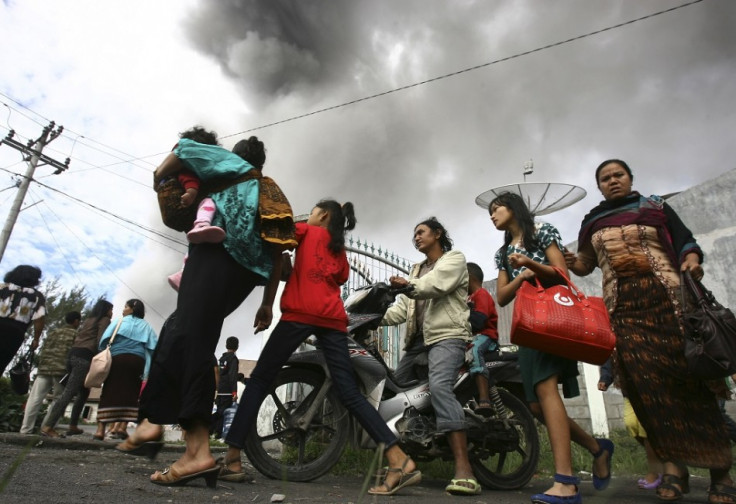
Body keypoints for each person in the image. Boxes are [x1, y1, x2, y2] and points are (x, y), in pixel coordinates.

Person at [120, 133, 296, 488]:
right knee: (180, 331)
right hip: (245, 276)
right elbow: (278, 253)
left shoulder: (229, 164)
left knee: (191, 338)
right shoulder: (270, 191)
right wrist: (266, 303)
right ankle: (153, 426)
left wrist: (161, 177)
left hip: (215, 257)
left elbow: (182, 151)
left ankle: (196, 452)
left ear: (236, 157)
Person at [222, 200, 421, 494]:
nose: (311, 215)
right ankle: (398, 458)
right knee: (351, 394)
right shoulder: (339, 250)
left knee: (260, 380)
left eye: (314, 211)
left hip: (299, 314)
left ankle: (233, 458)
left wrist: (267, 302)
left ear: (323, 215)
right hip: (332, 321)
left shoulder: (303, 230)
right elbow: (334, 277)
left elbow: (277, 248)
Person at [565, 159, 735, 503]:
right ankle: (674, 468)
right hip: (625, 312)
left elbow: (686, 242)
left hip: (671, 305)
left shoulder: (655, 207)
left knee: (693, 384)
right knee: (649, 389)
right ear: (599, 187)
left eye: (618, 175)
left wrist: (691, 259)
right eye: (605, 178)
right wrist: (569, 262)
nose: (613, 181)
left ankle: (721, 471)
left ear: (630, 178)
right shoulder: (593, 221)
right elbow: (585, 264)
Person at [490, 192, 612, 504]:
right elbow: (502, 296)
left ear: (513, 209)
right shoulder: (502, 253)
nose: (492, 215)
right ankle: (598, 448)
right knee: (533, 406)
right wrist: (523, 277)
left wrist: (531, 264)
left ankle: (566, 482)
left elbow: (562, 274)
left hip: (552, 320)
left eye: (496, 209)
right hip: (528, 327)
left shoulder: (542, 232)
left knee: (546, 392)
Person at [381, 217, 479, 496]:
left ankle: (464, 470)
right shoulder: (416, 270)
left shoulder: (453, 260)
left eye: (421, 232)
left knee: (439, 388)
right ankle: (399, 463)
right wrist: (372, 318)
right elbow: (404, 310)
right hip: (417, 343)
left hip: (447, 337)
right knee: (390, 395)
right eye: (414, 234)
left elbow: (435, 285)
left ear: (437, 234)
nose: (417, 237)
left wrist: (409, 285)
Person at [41, 298, 112, 437]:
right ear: (105, 310)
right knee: (69, 392)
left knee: (84, 392)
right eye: (111, 309)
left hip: (73, 355)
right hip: (84, 358)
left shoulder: (88, 320)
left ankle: (73, 425)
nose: (111, 312)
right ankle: (48, 426)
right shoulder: (104, 320)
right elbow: (100, 340)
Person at [166, 126, 225, 291]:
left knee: (195, 245)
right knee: (209, 202)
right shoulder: (187, 168)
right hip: (195, 207)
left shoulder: (176, 165)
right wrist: (191, 192)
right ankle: (202, 223)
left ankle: (183, 273)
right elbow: (189, 180)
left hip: (188, 214)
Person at [92, 299, 157, 441]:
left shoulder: (119, 322)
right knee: (131, 393)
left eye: (126, 306)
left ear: (132, 308)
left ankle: (100, 430)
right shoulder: (147, 327)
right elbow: (153, 347)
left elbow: (104, 340)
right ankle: (122, 428)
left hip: (117, 359)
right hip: (137, 362)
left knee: (109, 390)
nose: (123, 309)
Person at [598, 358, 663, 490]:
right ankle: (663, 458)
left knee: (646, 430)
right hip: (630, 389)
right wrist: (605, 378)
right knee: (631, 424)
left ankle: (655, 471)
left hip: (651, 387)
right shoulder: (617, 337)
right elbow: (610, 357)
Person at [19, 311, 81, 435]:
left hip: (44, 369)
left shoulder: (53, 332)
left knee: (35, 399)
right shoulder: (77, 335)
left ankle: (25, 429)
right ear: (76, 321)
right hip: (62, 371)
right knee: (58, 400)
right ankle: (46, 428)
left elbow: (44, 348)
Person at [465, 262, 499, 416]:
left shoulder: (481, 294)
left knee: (474, 350)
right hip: (472, 336)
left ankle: (484, 399)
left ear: (469, 277)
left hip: (485, 336)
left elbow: (480, 320)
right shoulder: (468, 297)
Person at [0, 265, 46, 374]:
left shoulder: (2, 288)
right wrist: (36, 339)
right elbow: (39, 319)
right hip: (14, 334)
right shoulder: (37, 296)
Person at [212, 336, 240, 439]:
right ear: (237, 347)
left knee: (221, 412)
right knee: (221, 413)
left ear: (226, 346)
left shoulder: (222, 359)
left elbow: (221, 374)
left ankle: (217, 434)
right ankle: (208, 426)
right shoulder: (233, 359)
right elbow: (232, 376)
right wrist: (234, 392)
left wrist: (217, 389)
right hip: (228, 391)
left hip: (220, 390)